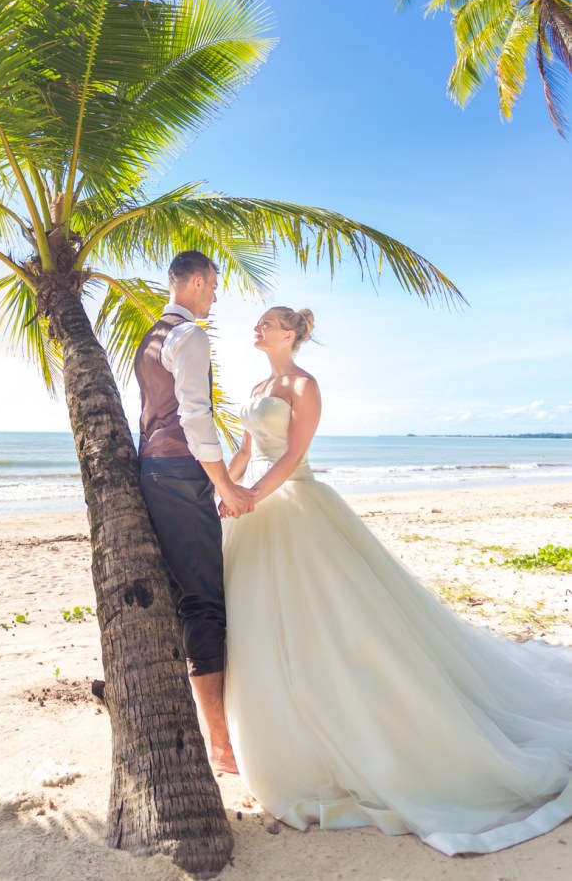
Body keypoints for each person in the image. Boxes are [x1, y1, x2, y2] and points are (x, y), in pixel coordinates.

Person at [222, 305, 572, 855]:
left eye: (267, 323)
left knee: (336, 617)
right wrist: (226, 488)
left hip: (293, 505)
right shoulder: (260, 382)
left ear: (290, 333)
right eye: (258, 323)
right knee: (259, 620)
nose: (257, 328)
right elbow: (247, 449)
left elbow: (292, 456)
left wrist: (250, 497)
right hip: (254, 508)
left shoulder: (304, 384)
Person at [133, 250, 255, 773]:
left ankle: (222, 734)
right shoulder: (190, 335)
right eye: (214, 286)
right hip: (182, 472)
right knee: (205, 602)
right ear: (199, 282)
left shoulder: (152, 335)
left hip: (157, 471)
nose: (215, 296)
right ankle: (222, 745)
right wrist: (224, 483)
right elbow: (194, 416)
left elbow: (147, 415)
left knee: (190, 595)